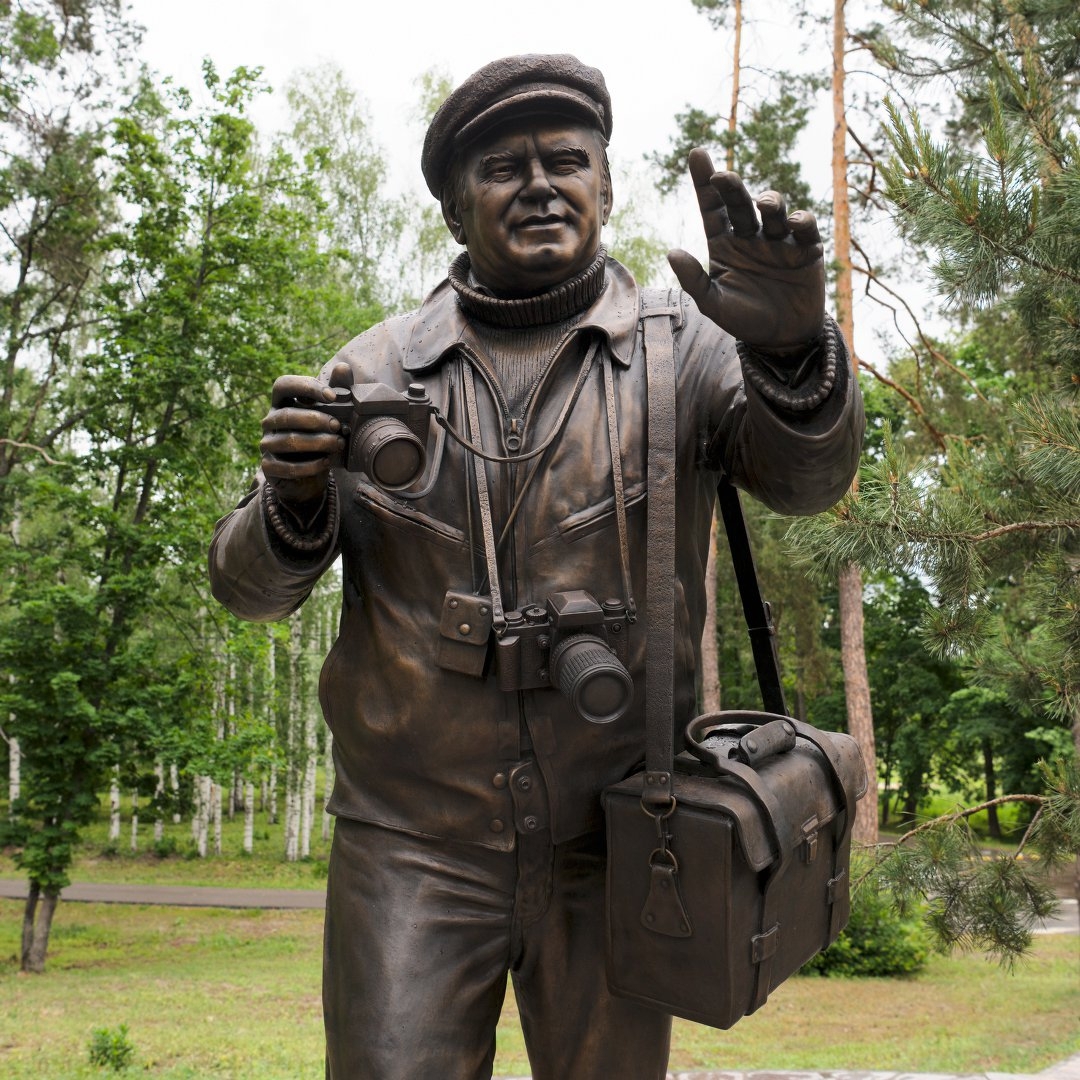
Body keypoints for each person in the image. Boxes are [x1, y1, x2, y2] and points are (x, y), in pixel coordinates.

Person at [209, 53, 863, 1080]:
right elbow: (248, 591)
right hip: (411, 845)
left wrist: (790, 358)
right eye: (503, 168)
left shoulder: (684, 351)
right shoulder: (369, 370)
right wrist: (289, 505)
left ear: (606, 185)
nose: (541, 186)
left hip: (623, 843)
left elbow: (808, 481)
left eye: (567, 160)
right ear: (453, 208)